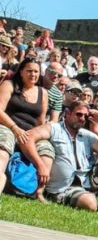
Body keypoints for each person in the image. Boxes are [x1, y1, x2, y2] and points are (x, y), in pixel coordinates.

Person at [23, 101, 98, 213]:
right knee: (89, 203)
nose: (82, 118)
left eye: (86, 116)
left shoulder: (86, 135)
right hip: (61, 188)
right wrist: (40, 165)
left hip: (86, 180)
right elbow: (27, 138)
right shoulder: (54, 128)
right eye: (79, 114)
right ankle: (53, 196)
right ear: (67, 113)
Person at [0, 58, 53, 196]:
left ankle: (38, 192)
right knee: (4, 146)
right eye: (29, 71)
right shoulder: (9, 84)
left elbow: (41, 121)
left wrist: (36, 137)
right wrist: (15, 128)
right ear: (21, 72)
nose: (33, 74)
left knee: (47, 150)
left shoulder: (43, 93)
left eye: (36, 71)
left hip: (31, 132)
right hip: (8, 126)